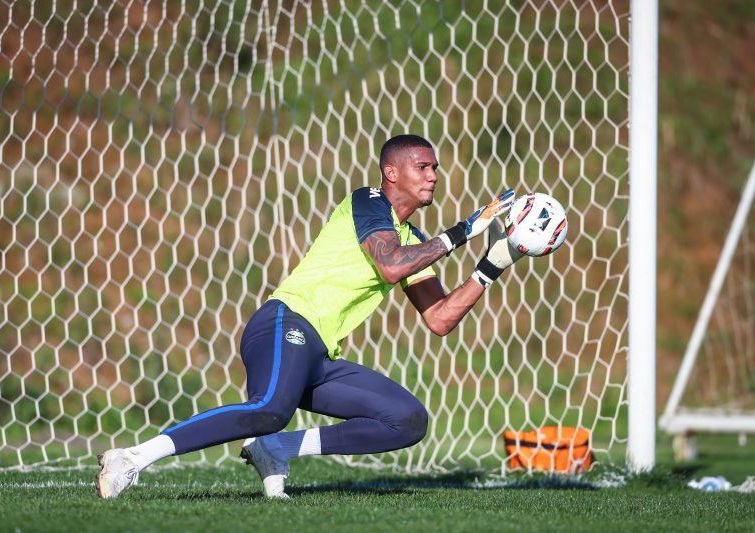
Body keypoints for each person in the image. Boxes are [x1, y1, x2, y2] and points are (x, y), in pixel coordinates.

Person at [95, 134, 526, 499]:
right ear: (392, 173)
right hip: (286, 323)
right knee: (268, 410)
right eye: (423, 166)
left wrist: (491, 265)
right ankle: (132, 458)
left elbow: (440, 319)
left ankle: (276, 449)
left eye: (435, 168)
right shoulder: (369, 201)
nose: (433, 174)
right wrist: (463, 231)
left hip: (318, 356)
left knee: (407, 419)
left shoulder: (414, 239)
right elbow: (390, 264)